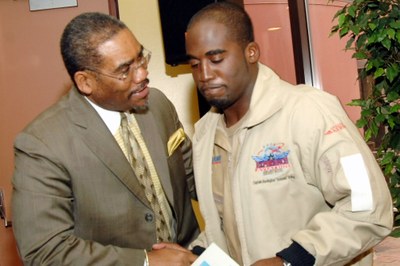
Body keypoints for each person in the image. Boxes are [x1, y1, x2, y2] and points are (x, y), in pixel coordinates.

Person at [184, 2, 393, 266]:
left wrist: (290, 260)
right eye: (194, 64)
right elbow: (225, 225)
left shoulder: (310, 110)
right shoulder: (205, 134)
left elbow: (369, 206)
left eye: (216, 59)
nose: (204, 74)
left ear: (251, 52)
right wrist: (194, 255)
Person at [11, 12, 199, 265]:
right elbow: (45, 251)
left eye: (141, 58)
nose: (142, 74)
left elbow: (194, 176)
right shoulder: (42, 144)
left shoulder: (158, 104)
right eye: (124, 70)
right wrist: (145, 262)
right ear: (86, 82)